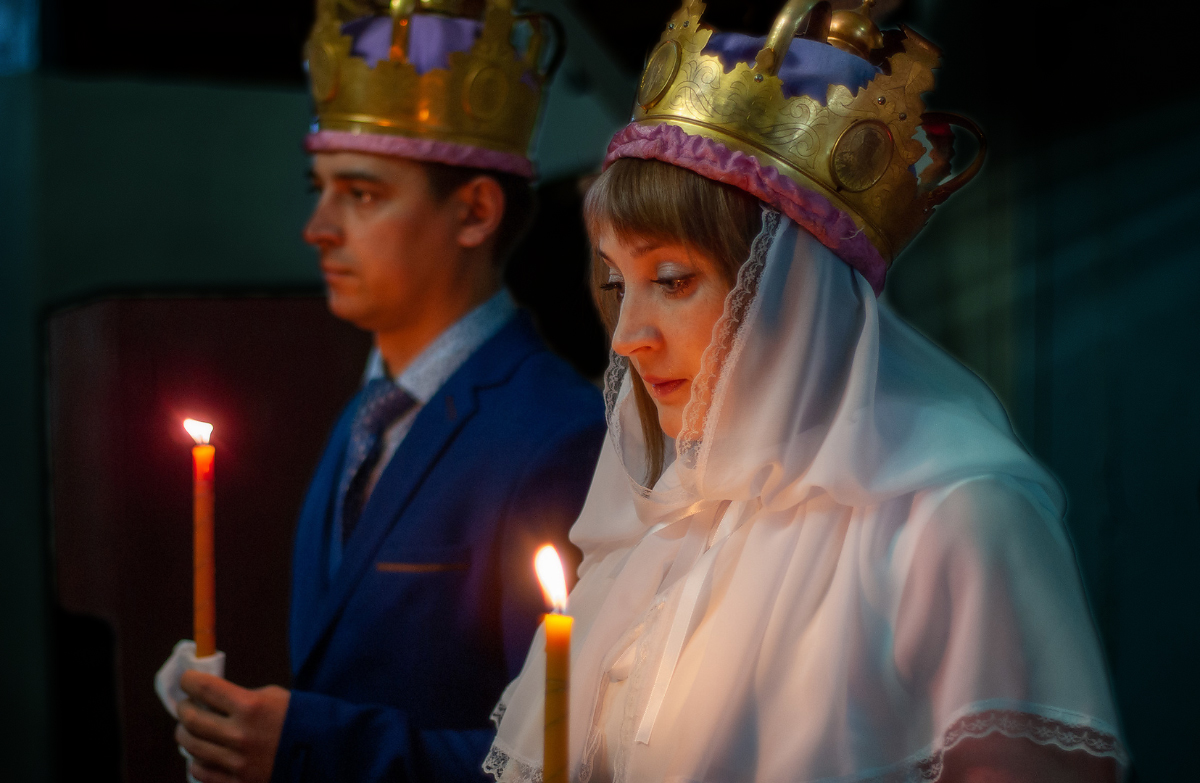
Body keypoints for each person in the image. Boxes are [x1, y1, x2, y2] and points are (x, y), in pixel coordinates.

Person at [485, 1, 1127, 782]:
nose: (628, 336)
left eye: (674, 279)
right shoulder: (665, 534)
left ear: (793, 293)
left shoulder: (955, 519)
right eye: (621, 284)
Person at [162, 1, 606, 781]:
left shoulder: (555, 434)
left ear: (474, 211)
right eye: (320, 187)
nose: (318, 227)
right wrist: (237, 727)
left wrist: (308, 746)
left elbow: (557, 753)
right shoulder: (371, 411)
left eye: (362, 194)